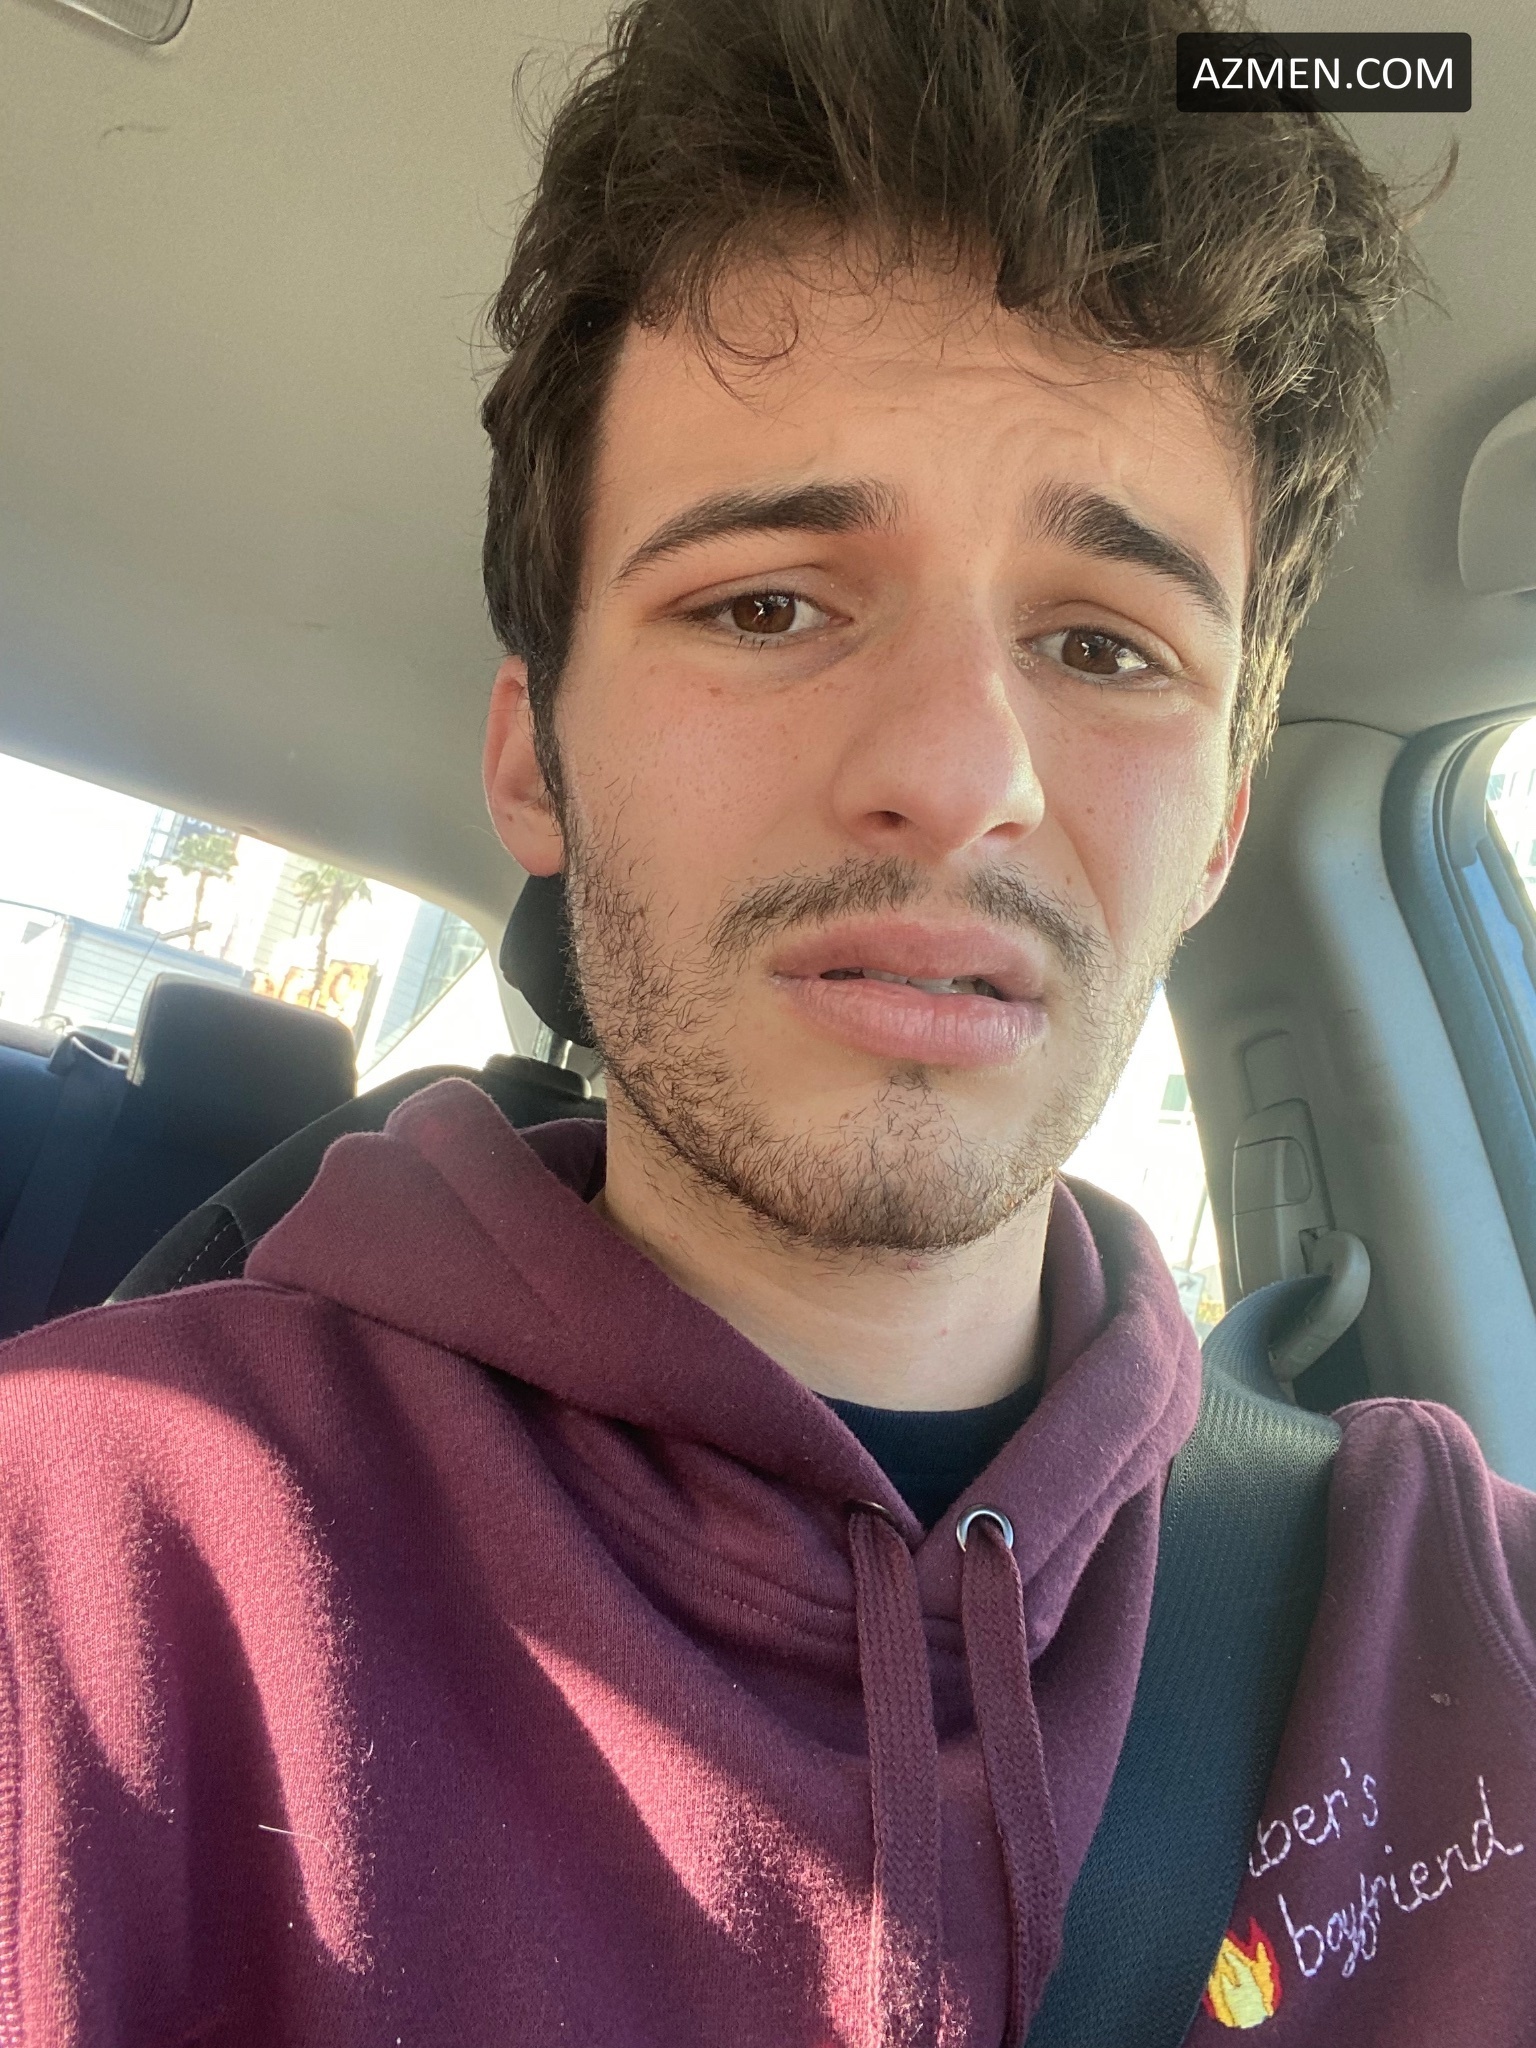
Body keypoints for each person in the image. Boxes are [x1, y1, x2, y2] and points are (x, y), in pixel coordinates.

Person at [0, 0, 1525, 2042]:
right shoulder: (79, 1574)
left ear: (1223, 831)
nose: (955, 776)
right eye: (767, 603)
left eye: (1103, 646)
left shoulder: (1467, 1627)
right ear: (535, 758)